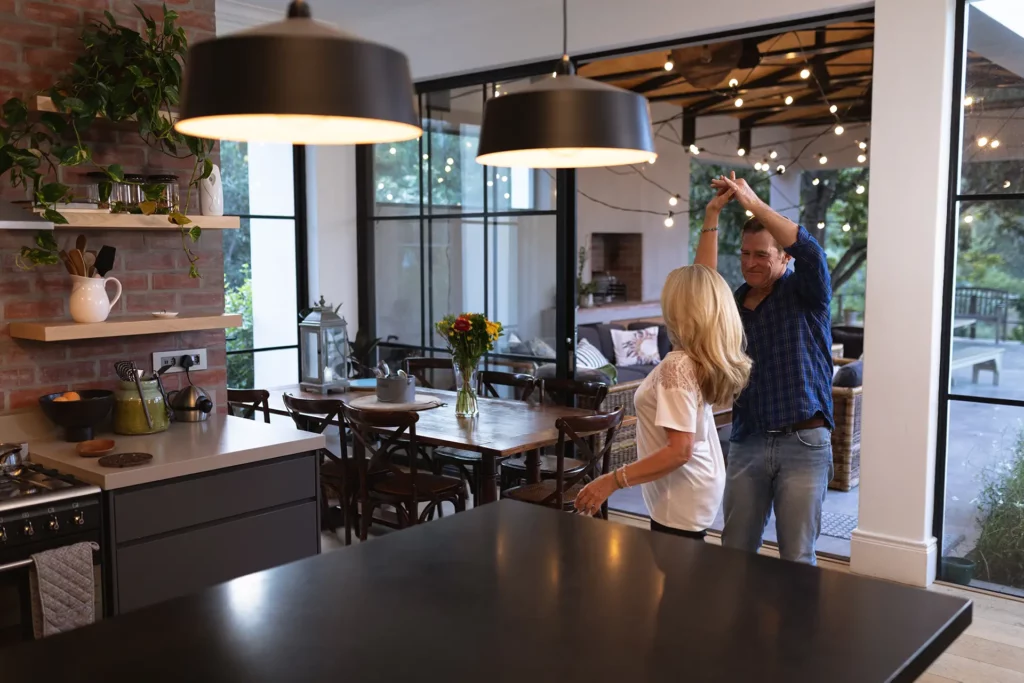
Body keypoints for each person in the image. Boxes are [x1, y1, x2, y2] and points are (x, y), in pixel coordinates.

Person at [574, 186, 751, 539]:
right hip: (695, 485)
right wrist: (711, 216)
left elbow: (679, 451)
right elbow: (704, 285)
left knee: (675, 571)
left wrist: (611, 481)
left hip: (680, 493)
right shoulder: (698, 353)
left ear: (682, 308)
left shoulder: (678, 365)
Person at [709, 171, 834, 565]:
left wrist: (752, 203)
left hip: (803, 441)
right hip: (747, 439)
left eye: (761, 254)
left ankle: (794, 613)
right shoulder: (732, 304)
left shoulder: (805, 292)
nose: (750, 263)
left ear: (784, 257)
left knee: (796, 557)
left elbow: (811, 250)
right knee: (734, 552)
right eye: (745, 254)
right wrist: (713, 213)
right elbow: (702, 285)